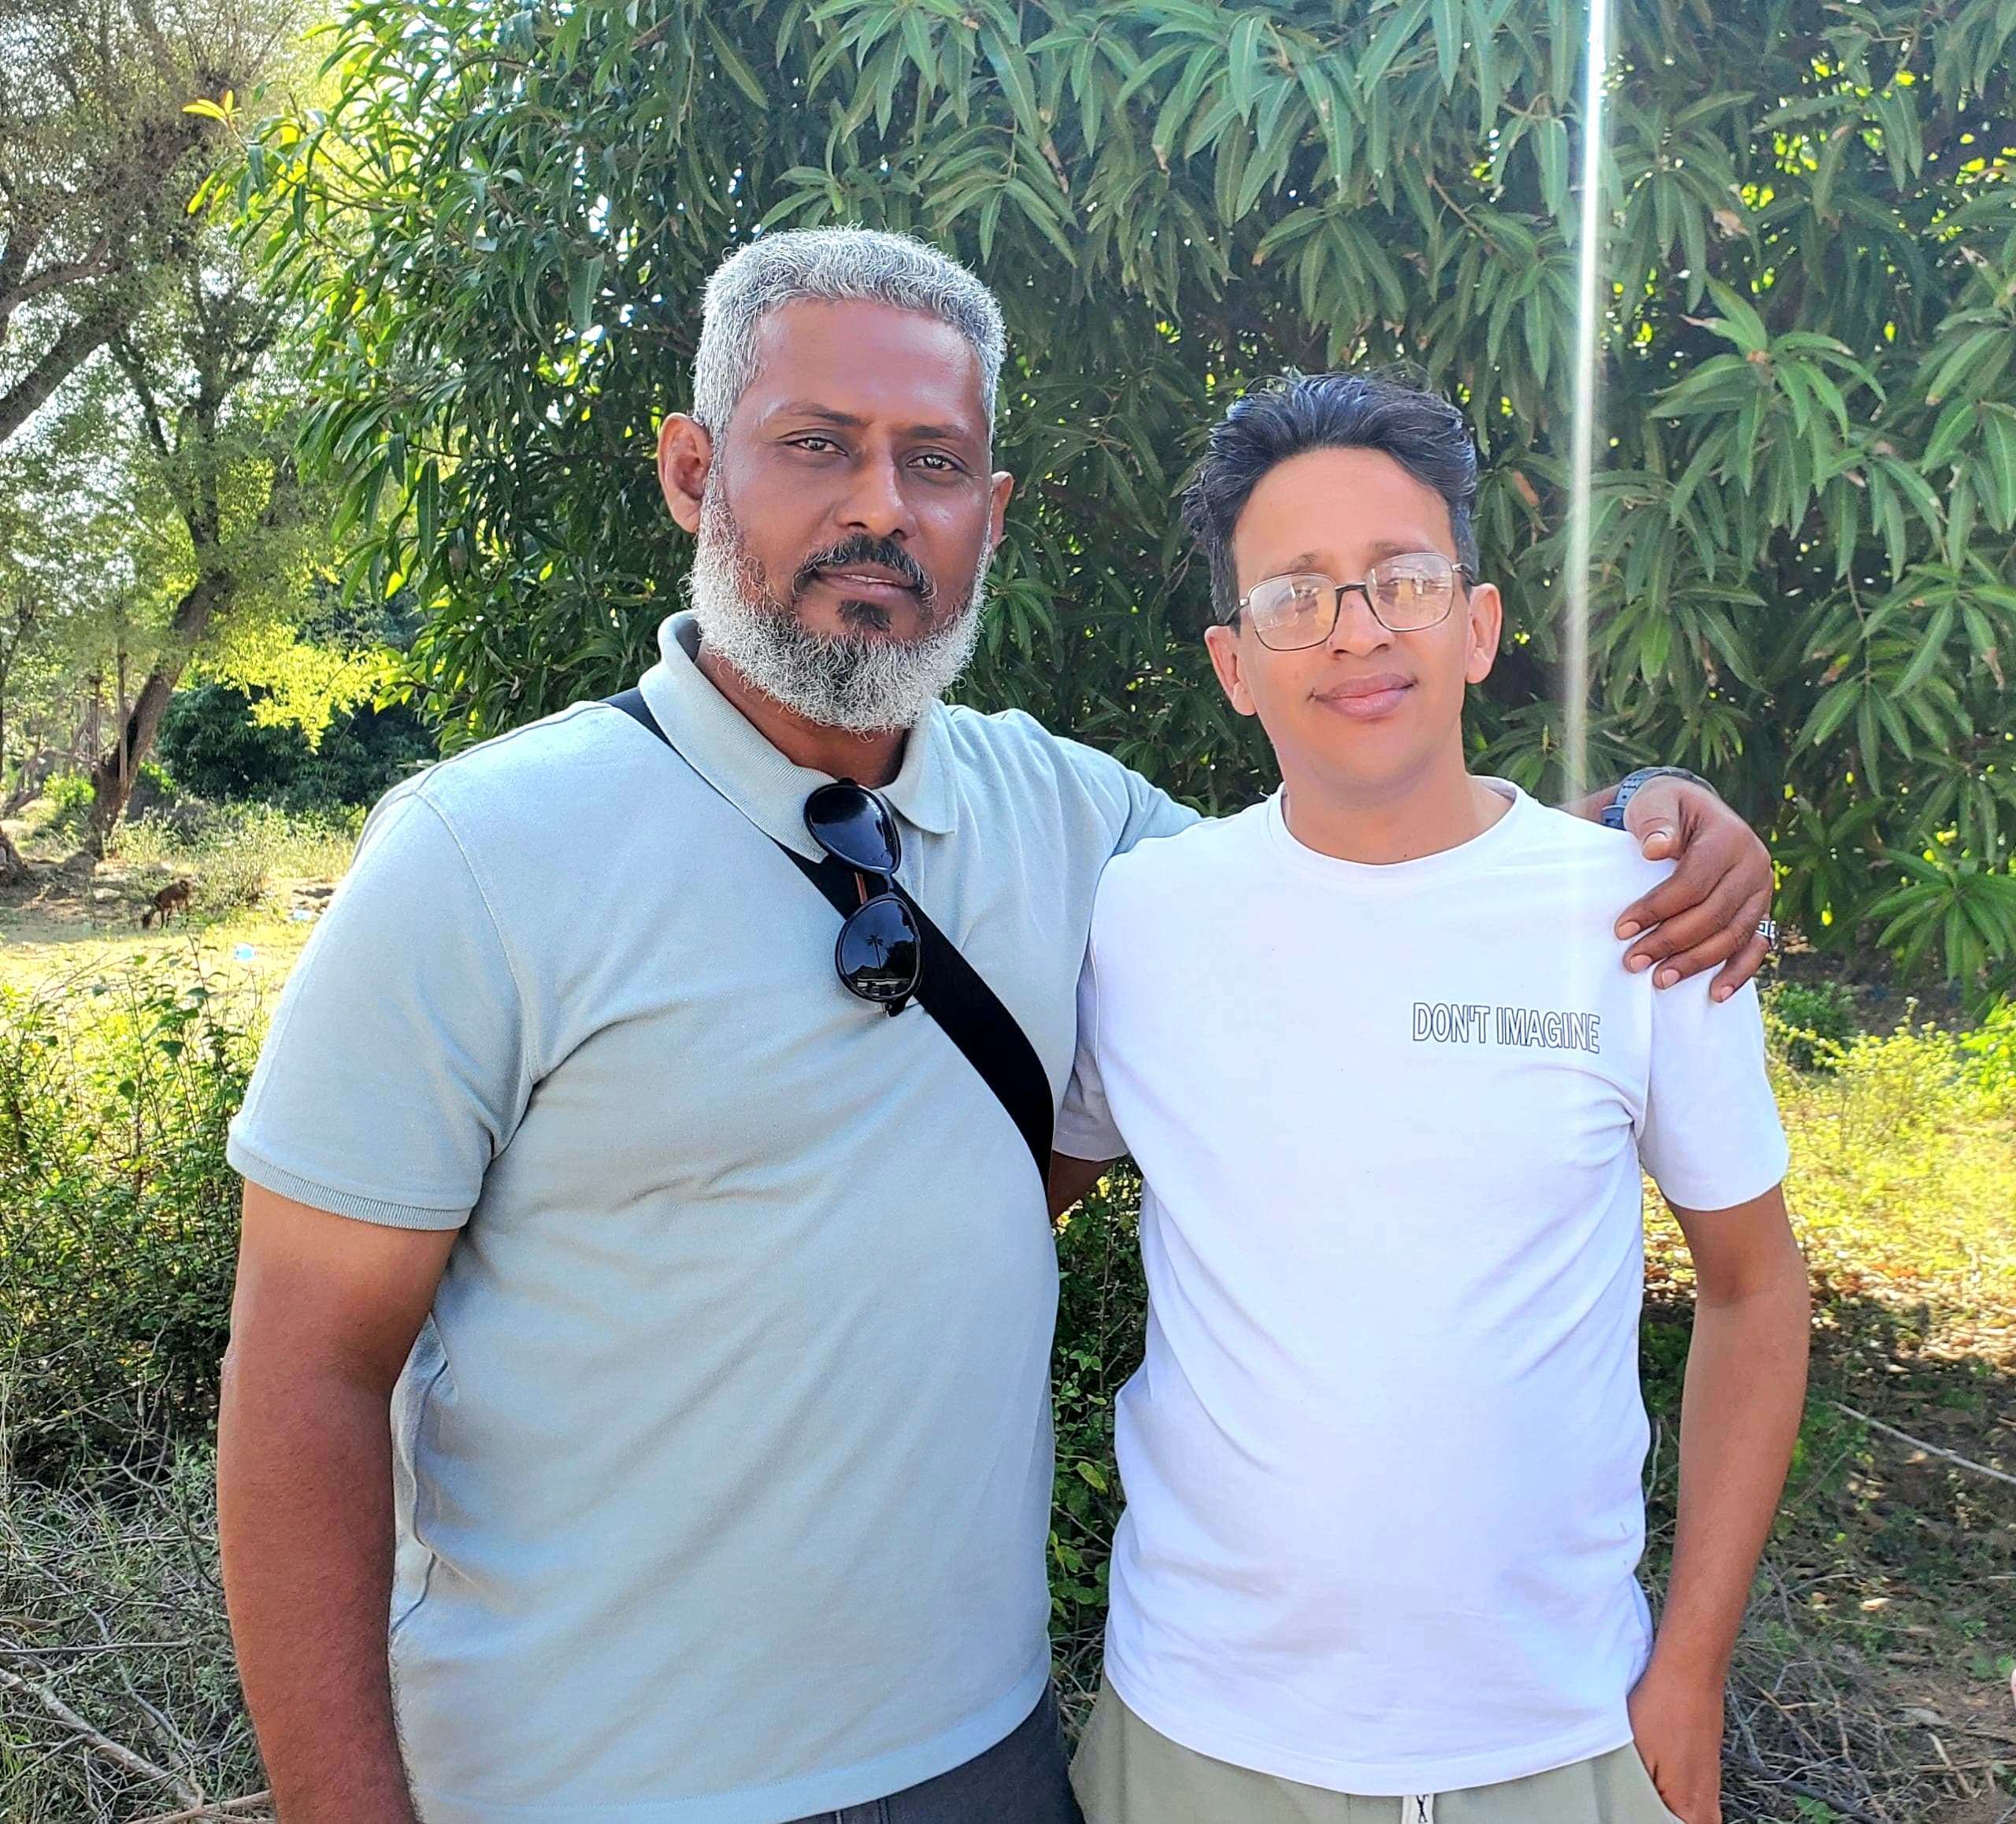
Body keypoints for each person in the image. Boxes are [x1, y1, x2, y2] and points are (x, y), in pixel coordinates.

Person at [217, 228, 1777, 1824]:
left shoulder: (1083, 830)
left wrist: (1646, 830)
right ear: (692, 470)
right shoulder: (479, 859)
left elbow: (1364, 880)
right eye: (815, 445)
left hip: (978, 1756)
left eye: (935, 462)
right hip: (583, 1778)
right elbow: (304, 1381)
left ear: (991, 513)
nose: (881, 507)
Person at [1051, 371, 1811, 1824]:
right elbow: (1009, 1195)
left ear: (1478, 624)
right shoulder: (1144, 918)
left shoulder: (1645, 915)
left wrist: (1693, 1670)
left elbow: (1753, 1289)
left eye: (1402, 579)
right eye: (1297, 595)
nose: (1357, 630)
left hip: (1561, 1731)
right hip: (1199, 1732)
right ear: (1232, 662)